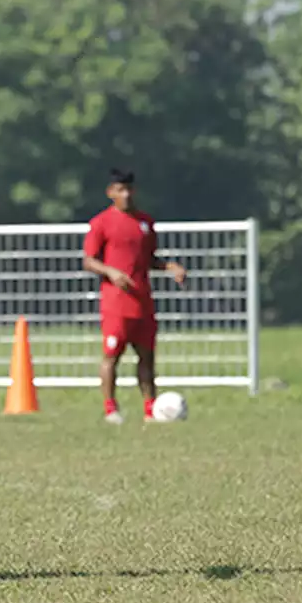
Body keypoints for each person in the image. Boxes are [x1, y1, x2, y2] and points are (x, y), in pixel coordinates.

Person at [82, 168, 187, 424]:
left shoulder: (145, 223)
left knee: (147, 357)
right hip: (115, 303)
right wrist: (110, 272)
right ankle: (111, 409)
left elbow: (148, 259)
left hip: (142, 301)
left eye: (129, 189)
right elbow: (88, 260)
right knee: (111, 356)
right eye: (120, 190)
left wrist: (169, 267)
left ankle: (151, 409)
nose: (126, 195)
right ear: (110, 193)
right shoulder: (101, 223)